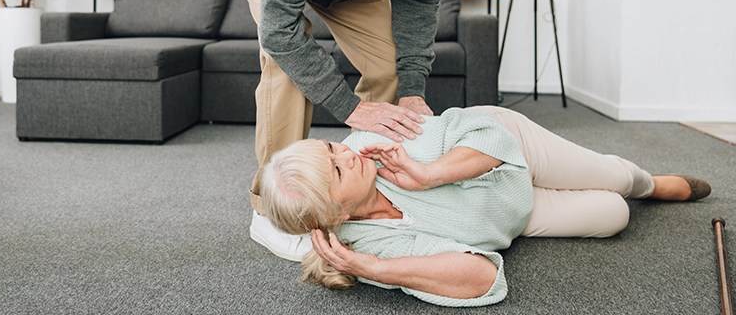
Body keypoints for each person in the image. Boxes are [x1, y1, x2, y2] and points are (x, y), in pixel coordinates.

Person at [223, 0, 465, 260]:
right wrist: (352, 109)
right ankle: (269, 209)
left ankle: (365, 187)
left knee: (388, 66)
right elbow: (282, 33)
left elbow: (419, 8)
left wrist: (411, 90)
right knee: (288, 68)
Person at [259, 106, 711, 307]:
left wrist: (428, 174)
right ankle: (629, 196)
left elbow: (488, 137)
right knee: (615, 216)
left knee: (619, 180)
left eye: (331, 147)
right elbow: (482, 277)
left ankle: (651, 182)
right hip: (511, 214)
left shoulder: (374, 143)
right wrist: (377, 269)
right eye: (337, 171)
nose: (348, 154)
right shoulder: (365, 244)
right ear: (337, 217)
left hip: (509, 149)